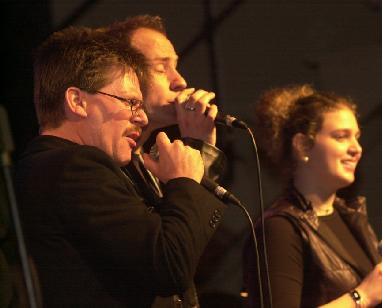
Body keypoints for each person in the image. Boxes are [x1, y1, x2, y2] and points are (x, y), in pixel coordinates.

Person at [15, 26, 226, 307]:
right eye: (130, 102)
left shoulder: (51, 166)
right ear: (77, 101)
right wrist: (184, 182)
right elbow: (169, 265)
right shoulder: (76, 167)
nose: (140, 117)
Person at [244, 84, 382, 307]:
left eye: (357, 137)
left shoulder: (350, 216)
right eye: (341, 137)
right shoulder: (279, 229)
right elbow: (364, 296)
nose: (356, 148)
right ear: (303, 146)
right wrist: (361, 296)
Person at [104, 15, 228, 307]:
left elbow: (191, 243)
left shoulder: (153, 160)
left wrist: (201, 147)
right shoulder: (106, 166)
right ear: (126, 75)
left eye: (176, 65)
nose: (180, 80)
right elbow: (166, 261)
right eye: (162, 67)